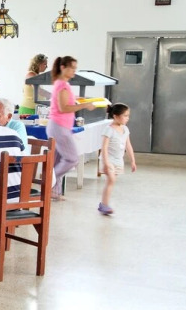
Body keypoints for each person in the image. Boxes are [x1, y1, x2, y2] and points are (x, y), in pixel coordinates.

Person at [47, 56, 96, 200]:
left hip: (60, 126)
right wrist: (85, 105)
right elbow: (64, 108)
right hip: (59, 127)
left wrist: (79, 100)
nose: (74, 71)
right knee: (72, 159)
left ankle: (54, 192)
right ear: (63, 67)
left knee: (58, 160)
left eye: (75, 68)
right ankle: (48, 183)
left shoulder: (63, 84)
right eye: (72, 68)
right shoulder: (62, 85)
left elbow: (66, 101)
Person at [99, 103, 136, 215]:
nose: (127, 118)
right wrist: (106, 163)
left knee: (110, 182)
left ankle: (103, 204)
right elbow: (104, 148)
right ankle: (104, 205)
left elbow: (128, 145)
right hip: (108, 159)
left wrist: (133, 160)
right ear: (115, 116)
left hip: (118, 160)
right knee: (111, 180)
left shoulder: (125, 129)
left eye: (128, 116)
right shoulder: (109, 130)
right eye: (125, 116)